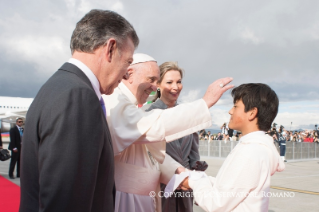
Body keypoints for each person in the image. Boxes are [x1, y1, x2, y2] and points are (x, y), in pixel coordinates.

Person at [20, 10, 139, 212]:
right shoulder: (78, 96)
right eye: (128, 62)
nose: (127, 73)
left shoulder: (58, 86)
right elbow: (64, 200)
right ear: (110, 48)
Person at [102, 53, 233, 212]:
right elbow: (154, 125)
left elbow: (151, 156)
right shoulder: (115, 100)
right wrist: (204, 103)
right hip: (126, 200)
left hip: (154, 195)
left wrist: (183, 173)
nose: (154, 86)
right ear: (129, 74)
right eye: (151, 80)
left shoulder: (131, 105)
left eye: (156, 81)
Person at [180, 83, 285, 212]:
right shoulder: (258, 147)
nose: (230, 111)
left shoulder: (250, 152)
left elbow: (217, 203)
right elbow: (231, 186)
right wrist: (199, 178)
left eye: (235, 106)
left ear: (252, 113)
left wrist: (193, 183)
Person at [146, 61, 208, 212]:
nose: (175, 87)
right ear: (158, 84)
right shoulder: (149, 114)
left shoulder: (187, 113)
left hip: (185, 188)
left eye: (179, 82)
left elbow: (194, 154)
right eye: (169, 82)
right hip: (160, 185)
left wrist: (197, 175)